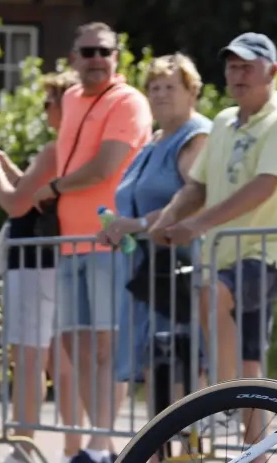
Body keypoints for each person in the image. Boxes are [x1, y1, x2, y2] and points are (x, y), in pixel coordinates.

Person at [151, 33, 277, 463]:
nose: (237, 74)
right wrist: (167, 219)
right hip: (228, 255)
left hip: (272, 254)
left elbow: (264, 186)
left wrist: (195, 225)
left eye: (247, 66)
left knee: (213, 295)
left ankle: (223, 398)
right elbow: (197, 186)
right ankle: (257, 462)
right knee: (249, 358)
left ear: (271, 71)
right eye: (232, 66)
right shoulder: (222, 121)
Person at [31, 21, 154, 463]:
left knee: (105, 346)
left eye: (104, 51)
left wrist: (54, 187)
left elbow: (106, 165)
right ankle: (91, 446)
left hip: (110, 240)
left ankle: (101, 446)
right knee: (75, 343)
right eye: (88, 51)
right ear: (73, 58)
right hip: (71, 241)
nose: (97, 59)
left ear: (116, 56)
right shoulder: (69, 99)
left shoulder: (128, 101)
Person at [0, 69, 84, 463]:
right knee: (58, 361)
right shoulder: (72, 150)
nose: (45, 109)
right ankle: (74, 450)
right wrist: (5, 164)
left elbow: (15, 203)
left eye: (49, 101)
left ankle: (22, 453)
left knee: (27, 359)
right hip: (52, 261)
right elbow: (30, 190)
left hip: (33, 263)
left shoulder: (56, 148)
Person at [99, 53, 211, 406]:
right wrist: (116, 228)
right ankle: (160, 442)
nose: (160, 94)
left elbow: (197, 196)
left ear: (192, 92)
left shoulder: (196, 137)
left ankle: (184, 441)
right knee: (154, 361)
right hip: (146, 272)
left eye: (170, 87)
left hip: (179, 270)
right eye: (155, 87)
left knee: (178, 359)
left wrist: (140, 224)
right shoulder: (153, 141)